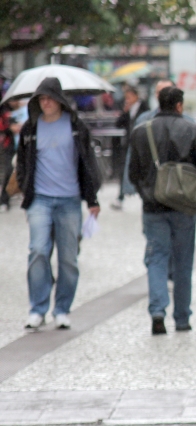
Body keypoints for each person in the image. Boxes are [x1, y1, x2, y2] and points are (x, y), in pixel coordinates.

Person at [129, 87, 196, 335]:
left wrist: (148, 192)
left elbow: (133, 173)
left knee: (156, 258)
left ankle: (157, 311)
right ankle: (182, 317)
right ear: (180, 105)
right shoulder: (193, 131)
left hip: (153, 206)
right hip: (184, 206)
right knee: (183, 261)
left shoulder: (141, 132)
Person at [16, 77, 102, 330]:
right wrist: (24, 187)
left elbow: (87, 164)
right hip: (39, 199)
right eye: (41, 99)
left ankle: (62, 308)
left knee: (68, 259)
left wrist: (92, 199)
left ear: (60, 100)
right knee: (38, 251)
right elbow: (21, 162)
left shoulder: (76, 127)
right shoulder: (31, 129)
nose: (45, 103)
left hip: (69, 200)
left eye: (49, 98)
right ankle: (37, 308)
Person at [112, 79, 180, 211]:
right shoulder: (144, 120)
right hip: (151, 189)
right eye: (160, 92)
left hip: (180, 189)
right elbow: (134, 154)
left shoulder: (187, 123)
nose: (164, 95)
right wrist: (137, 186)